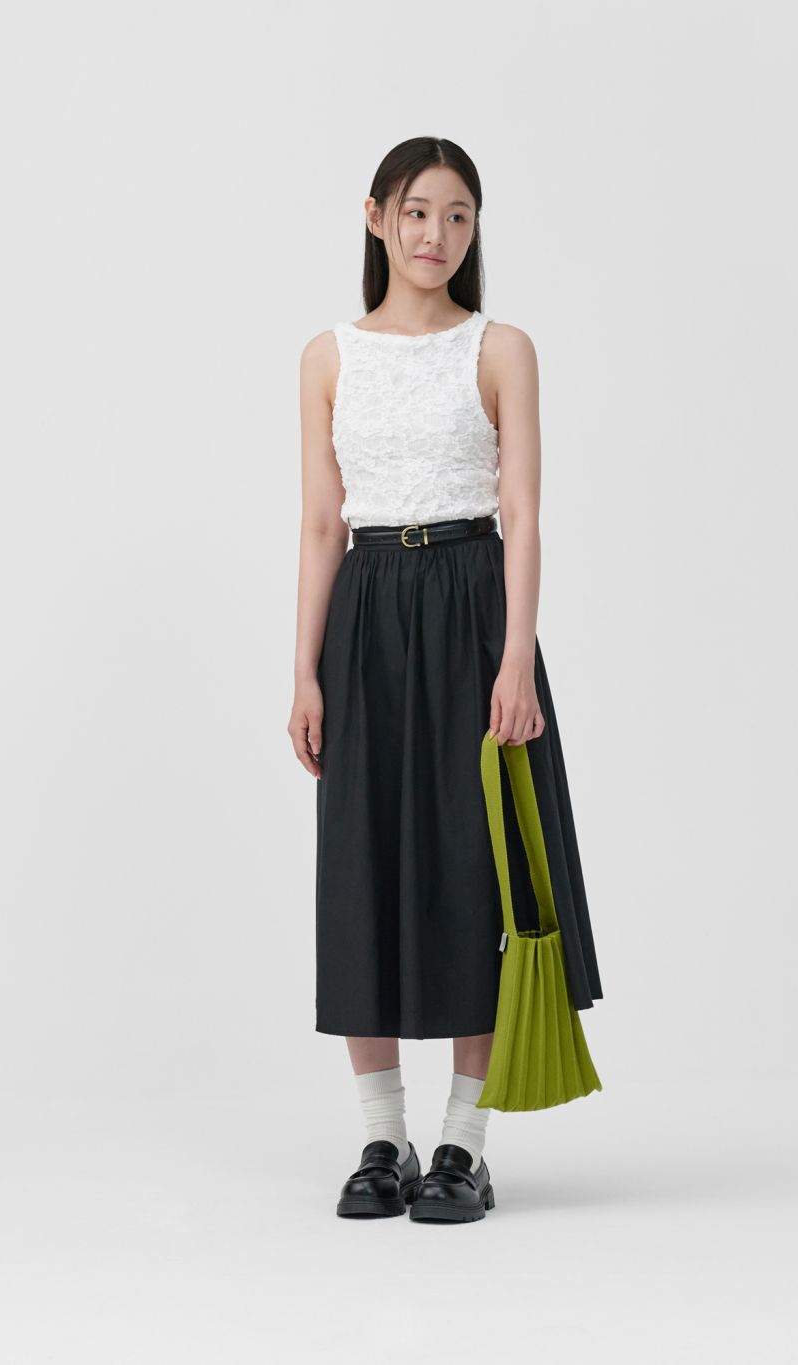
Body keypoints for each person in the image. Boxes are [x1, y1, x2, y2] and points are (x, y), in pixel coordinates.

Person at [289, 137, 603, 1224]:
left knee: (480, 868)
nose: (437, 234)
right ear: (376, 216)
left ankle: (464, 1142)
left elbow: (522, 512)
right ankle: (382, 1136)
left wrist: (516, 657)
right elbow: (321, 522)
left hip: (473, 608)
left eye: (458, 215)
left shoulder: (500, 347)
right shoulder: (326, 356)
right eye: (417, 211)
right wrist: (304, 672)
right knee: (361, 860)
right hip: (367, 610)